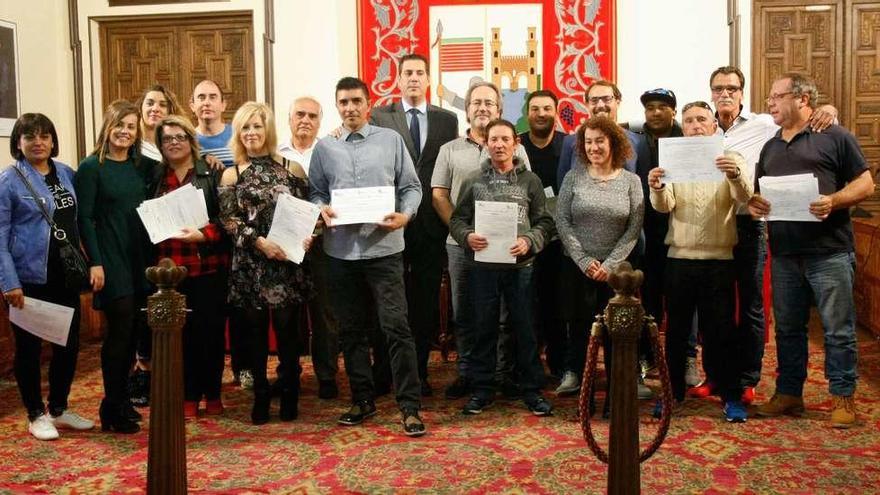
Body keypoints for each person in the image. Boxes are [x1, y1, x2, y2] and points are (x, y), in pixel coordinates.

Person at [705, 65, 838, 403]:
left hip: (751, 223)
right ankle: (716, 375)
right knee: (715, 305)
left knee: (751, 304)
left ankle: (748, 378)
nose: (725, 94)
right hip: (712, 224)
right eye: (718, 88)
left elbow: (807, 120)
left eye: (732, 88)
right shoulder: (701, 127)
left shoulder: (764, 125)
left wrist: (829, 109)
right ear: (711, 92)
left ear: (741, 93)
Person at [749, 73, 874, 428]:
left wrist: (833, 201)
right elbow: (763, 192)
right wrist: (757, 205)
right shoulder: (771, 146)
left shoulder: (835, 136)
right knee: (788, 328)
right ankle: (789, 393)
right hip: (785, 253)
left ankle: (843, 398)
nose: (770, 103)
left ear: (802, 99)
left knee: (838, 329)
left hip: (829, 252)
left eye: (777, 96)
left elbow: (865, 183)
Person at [309, 76, 426, 437]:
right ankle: (362, 399)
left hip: (384, 249)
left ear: (368, 103)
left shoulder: (390, 141)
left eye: (356, 101)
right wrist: (321, 209)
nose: (350, 108)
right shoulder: (324, 148)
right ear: (337, 105)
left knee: (396, 328)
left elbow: (411, 186)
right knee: (350, 330)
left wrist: (405, 215)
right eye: (343, 102)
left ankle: (409, 406)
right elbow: (315, 192)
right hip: (341, 252)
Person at [648, 101, 752, 423]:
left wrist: (734, 176)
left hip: (719, 260)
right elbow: (665, 207)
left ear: (713, 125)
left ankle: (730, 395)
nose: (695, 125)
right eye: (689, 121)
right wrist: (657, 187)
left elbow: (745, 197)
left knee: (721, 332)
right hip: (679, 258)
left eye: (701, 120)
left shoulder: (731, 158)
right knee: (676, 332)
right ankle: (672, 392)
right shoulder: (674, 158)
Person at [431, 81, 531, 400]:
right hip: (461, 246)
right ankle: (467, 374)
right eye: (476, 103)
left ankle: (501, 374)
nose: (482, 108)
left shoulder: (517, 149)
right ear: (467, 108)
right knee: (465, 313)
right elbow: (439, 195)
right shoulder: (449, 150)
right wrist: (463, 235)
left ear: (499, 110)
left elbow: (527, 194)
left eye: (489, 102)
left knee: (503, 314)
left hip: (506, 246)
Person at [449, 118, 555, 417]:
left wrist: (529, 240)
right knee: (483, 327)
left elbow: (546, 221)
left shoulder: (531, 181)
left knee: (525, 328)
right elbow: (458, 220)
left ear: (515, 144)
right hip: (483, 267)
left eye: (505, 139)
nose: (498, 144)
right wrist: (466, 236)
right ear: (486, 144)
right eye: (493, 139)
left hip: (522, 267)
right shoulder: (473, 181)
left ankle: (532, 390)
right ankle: (482, 390)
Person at [556, 80, 653, 399]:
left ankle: (622, 387)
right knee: (579, 327)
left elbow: (634, 225)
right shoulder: (573, 177)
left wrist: (609, 266)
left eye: (600, 141)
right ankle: (581, 386)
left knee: (620, 332)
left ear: (613, 143)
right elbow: (562, 219)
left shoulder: (631, 181)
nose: (594, 147)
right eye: (588, 142)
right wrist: (584, 261)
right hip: (577, 268)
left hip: (619, 271)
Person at [0, 113, 95, 440]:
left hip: (65, 275)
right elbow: (0, 234)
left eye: (44, 136)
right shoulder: (9, 180)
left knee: (68, 347)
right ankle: (35, 413)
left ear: (53, 141)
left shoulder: (66, 173)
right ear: (19, 143)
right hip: (29, 278)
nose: (38, 142)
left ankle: (58, 408)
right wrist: (9, 281)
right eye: (30, 137)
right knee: (29, 350)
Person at [369, 53, 459, 396]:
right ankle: (385, 372)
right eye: (408, 73)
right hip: (389, 222)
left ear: (427, 77)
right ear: (399, 78)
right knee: (388, 301)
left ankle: (419, 372)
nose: (414, 78)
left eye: (420, 73)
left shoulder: (446, 120)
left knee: (422, 305)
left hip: (430, 228)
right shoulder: (379, 115)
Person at [219, 102, 313, 425]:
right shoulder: (232, 173)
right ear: (238, 134)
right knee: (254, 335)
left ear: (268, 130)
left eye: (257, 127)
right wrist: (261, 243)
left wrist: (309, 235)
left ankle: (290, 393)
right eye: (245, 128)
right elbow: (229, 221)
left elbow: (308, 213)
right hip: (251, 264)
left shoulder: (292, 168)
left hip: (286, 263)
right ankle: (260, 394)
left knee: (288, 334)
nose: (251, 133)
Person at [75, 100, 157, 434]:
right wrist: (95, 262)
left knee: (135, 330)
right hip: (109, 258)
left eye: (131, 126)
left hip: (139, 255)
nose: (124, 131)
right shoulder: (92, 167)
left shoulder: (143, 166)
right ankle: (111, 407)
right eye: (119, 125)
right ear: (107, 127)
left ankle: (122, 401)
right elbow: (85, 218)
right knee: (119, 333)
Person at [148, 115, 228, 418]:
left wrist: (204, 234)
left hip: (207, 267)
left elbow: (226, 221)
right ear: (160, 144)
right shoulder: (154, 176)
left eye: (180, 137)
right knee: (180, 338)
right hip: (169, 272)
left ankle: (214, 393)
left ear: (190, 140)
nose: (174, 143)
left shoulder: (211, 173)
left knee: (210, 334)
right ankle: (189, 394)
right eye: (167, 139)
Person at [278, 96, 340, 399]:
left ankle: (326, 375)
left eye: (312, 116)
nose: (305, 120)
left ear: (320, 121)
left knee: (325, 313)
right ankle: (288, 375)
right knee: (287, 314)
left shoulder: (331, 153)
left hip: (323, 244)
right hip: (285, 246)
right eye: (299, 114)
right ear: (289, 118)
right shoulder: (274, 155)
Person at [190, 79, 250, 389]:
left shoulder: (236, 135)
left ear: (223, 104)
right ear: (192, 105)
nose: (207, 102)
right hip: (203, 234)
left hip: (239, 232)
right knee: (208, 310)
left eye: (213, 97)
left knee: (240, 306)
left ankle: (244, 369)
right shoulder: (188, 140)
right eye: (201, 97)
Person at [129, 84, 185, 407]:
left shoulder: (169, 147)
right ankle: (141, 370)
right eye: (150, 102)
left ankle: (164, 371)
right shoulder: (131, 147)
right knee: (139, 307)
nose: (155, 108)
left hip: (167, 239)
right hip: (138, 237)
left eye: (162, 104)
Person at [518, 90, 566, 382]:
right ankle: (528, 366)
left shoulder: (569, 144)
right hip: (524, 234)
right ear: (527, 112)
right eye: (535, 108)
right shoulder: (517, 143)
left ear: (556, 111)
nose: (541, 113)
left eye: (547, 108)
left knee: (557, 304)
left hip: (560, 236)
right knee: (527, 304)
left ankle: (559, 364)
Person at [137, 84, 183, 161]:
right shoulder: (130, 144)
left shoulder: (178, 144)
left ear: (170, 112)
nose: (155, 109)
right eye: (150, 104)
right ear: (140, 108)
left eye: (162, 105)